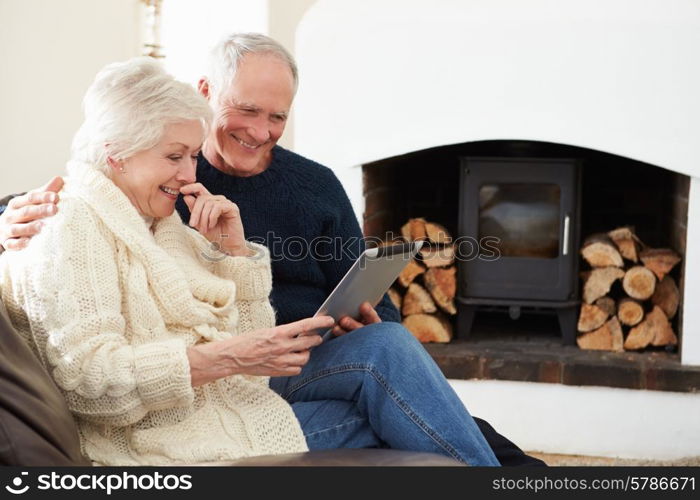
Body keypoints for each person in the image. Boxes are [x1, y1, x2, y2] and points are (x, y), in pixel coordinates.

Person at [0, 33, 544, 466]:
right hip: (221, 391)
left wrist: (246, 262)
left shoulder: (275, 190)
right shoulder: (130, 199)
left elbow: (250, 316)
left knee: (391, 349)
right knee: (404, 413)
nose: (260, 132)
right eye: (247, 111)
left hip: (283, 361)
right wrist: (5, 221)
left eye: (277, 117)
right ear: (207, 94)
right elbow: (58, 253)